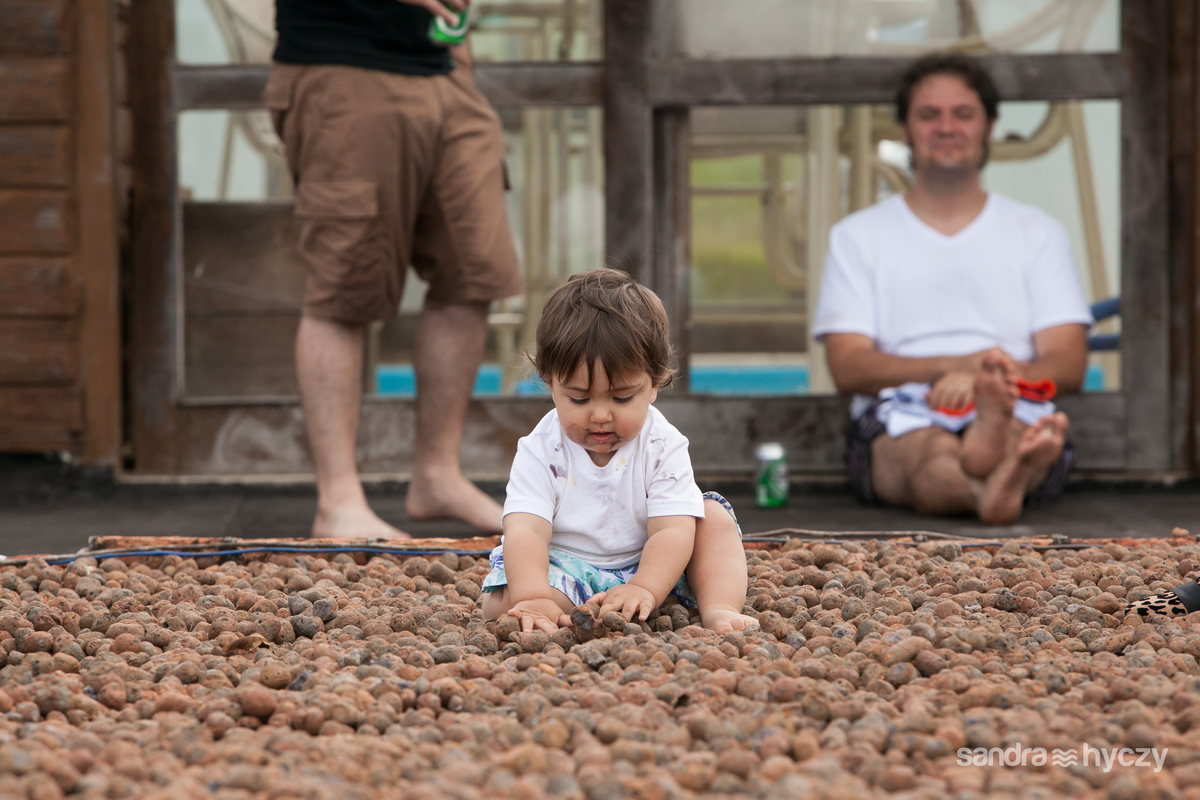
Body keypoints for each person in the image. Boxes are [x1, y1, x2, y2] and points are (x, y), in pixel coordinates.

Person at [266, 0, 521, 539]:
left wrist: (459, 50)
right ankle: (338, 501)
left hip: (445, 67)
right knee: (345, 290)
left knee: (473, 274)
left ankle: (437, 476)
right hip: (342, 65)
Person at [813, 53, 1094, 525]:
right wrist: (957, 369)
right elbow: (848, 366)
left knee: (1013, 430)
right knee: (928, 451)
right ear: (905, 129)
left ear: (988, 127)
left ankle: (992, 450)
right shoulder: (857, 236)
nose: (946, 127)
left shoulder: (1038, 232)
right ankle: (998, 482)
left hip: (1015, 398)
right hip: (901, 407)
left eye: (963, 114)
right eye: (929, 115)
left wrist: (994, 383)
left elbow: (1068, 362)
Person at [479, 270, 758, 635]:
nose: (600, 415)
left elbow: (672, 530)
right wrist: (533, 595)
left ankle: (717, 606)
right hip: (567, 567)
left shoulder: (662, 444)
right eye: (579, 399)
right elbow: (526, 529)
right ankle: (584, 606)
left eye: (622, 398)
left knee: (712, 519)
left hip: (652, 564)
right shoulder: (541, 449)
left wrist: (646, 586)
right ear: (550, 383)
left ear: (654, 384)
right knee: (501, 603)